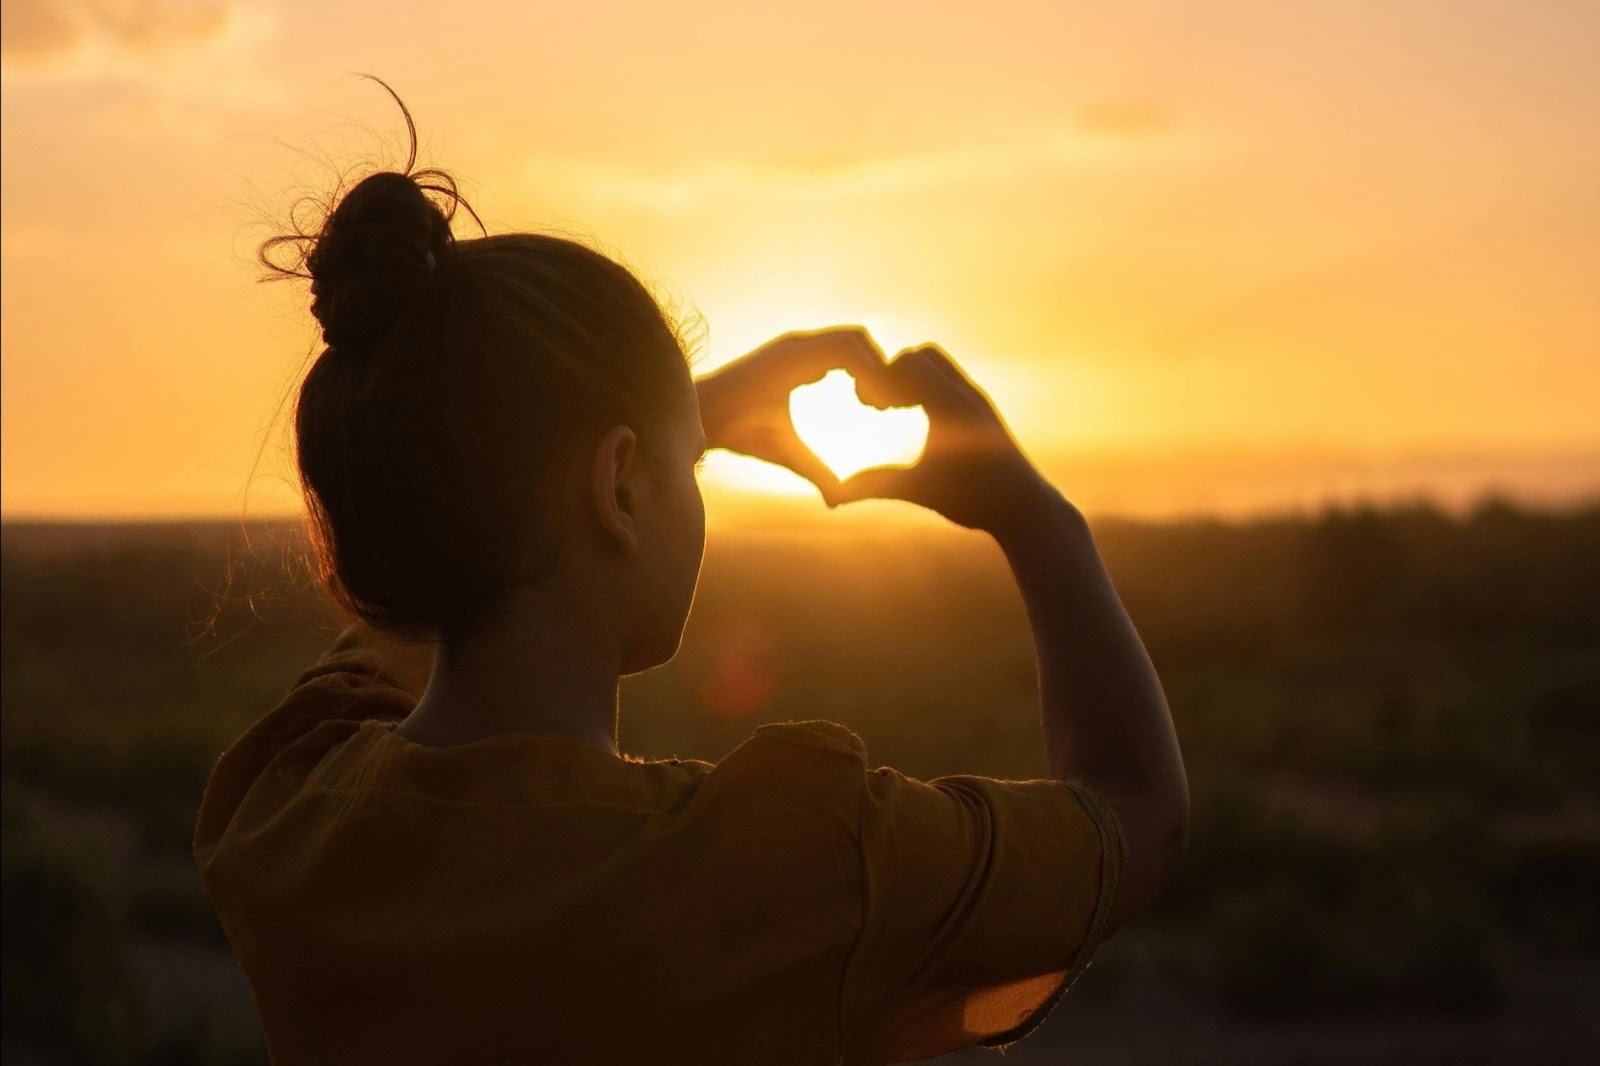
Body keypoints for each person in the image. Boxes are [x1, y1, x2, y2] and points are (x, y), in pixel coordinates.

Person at [194, 97, 1188, 1066]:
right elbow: (1133, 812)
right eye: (690, 464)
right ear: (620, 483)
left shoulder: (285, 812)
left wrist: (650, 425)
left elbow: (439, 562)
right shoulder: (793, 869)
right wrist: (1036, 518)